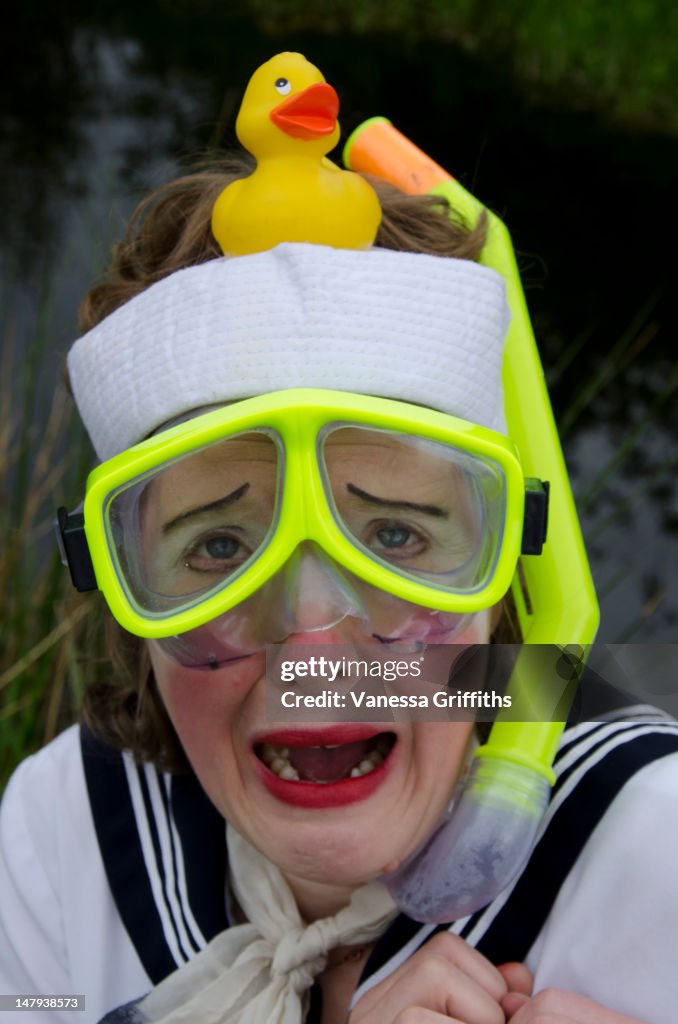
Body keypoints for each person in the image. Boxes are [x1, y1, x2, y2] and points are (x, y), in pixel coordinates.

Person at [2, 61, 678, 1024]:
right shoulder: (61, 831)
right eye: (219, 548)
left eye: (394, 533)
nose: (313, 643)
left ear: (504, 571)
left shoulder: (657, 853)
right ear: (123, 589)